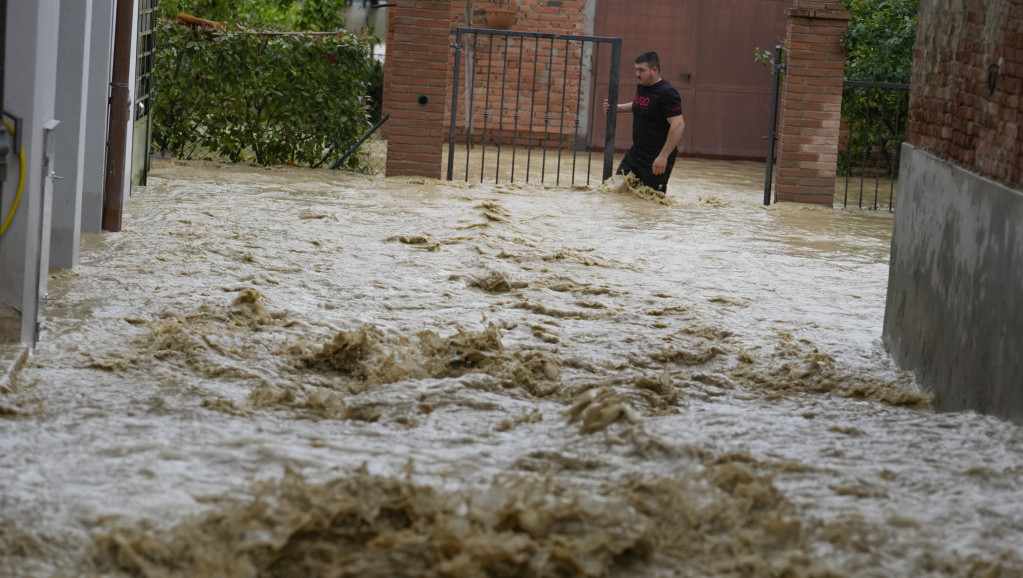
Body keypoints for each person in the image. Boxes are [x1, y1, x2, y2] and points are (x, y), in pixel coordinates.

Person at [603, 51, 685, 194]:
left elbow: (678, 125)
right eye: (636, 69)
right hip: (636, 153)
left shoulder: (667, 93)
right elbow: (639, 104)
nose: (637, 74)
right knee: (616, 190)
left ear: (654, 70)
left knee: (652, 201)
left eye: (641, 70)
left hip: (656, 158)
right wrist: (618, 108)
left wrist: (663, 157)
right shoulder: (642, 85)